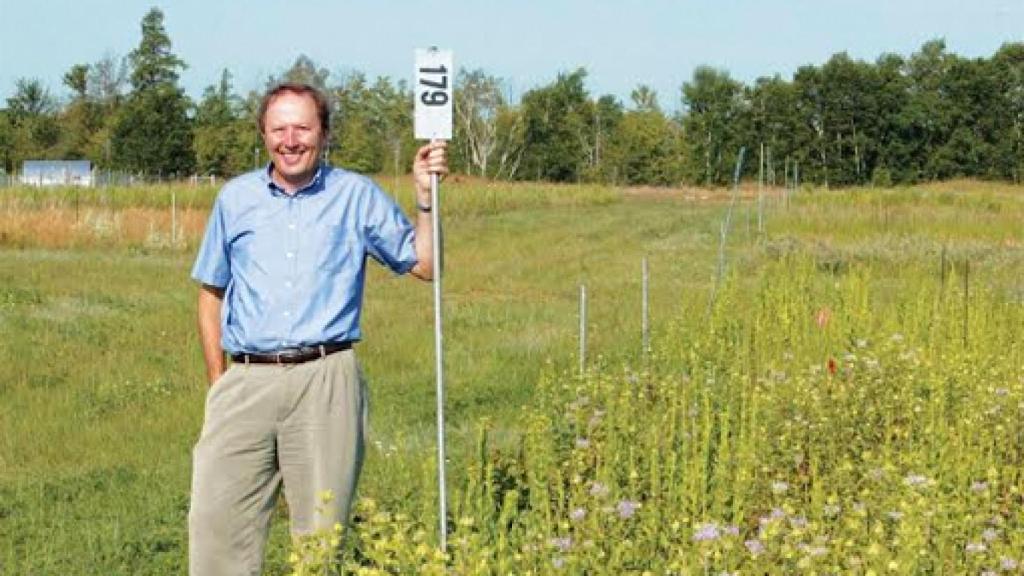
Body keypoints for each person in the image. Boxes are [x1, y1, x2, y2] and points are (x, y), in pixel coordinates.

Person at [188, 82, 447, 575]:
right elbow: (210, 294)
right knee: (215, 529)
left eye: (303, 128)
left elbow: (425, 265)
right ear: (263, 134)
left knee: (320, 541)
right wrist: (220, 383)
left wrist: (425, 200)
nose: (290, 140)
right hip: (245, 382)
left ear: (324, 134)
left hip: (326, 380)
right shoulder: (235, 199)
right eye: (278, 128)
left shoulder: (354, 195)